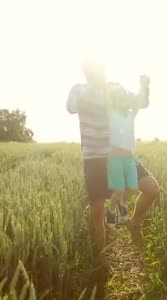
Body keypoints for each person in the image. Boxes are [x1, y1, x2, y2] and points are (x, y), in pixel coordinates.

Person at [66, 61, 159, 266]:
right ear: (86, 73)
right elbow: (71, 107)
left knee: (151, 188)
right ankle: (102, 257)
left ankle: (134, 222)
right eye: (92, 71)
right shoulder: (79, 91)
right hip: (94, 159)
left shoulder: (115, 89)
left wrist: (145, 86)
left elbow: (141, 102)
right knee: (98, 211)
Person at [106, 75, 151, 226]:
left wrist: (144, 85)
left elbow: (142, 102)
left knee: (132, 187)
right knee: (118, 189)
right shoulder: (110, 115)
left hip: (129, 158)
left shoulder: (131, 114)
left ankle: (121, 203)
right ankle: (111, 212)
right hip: (115, 158)